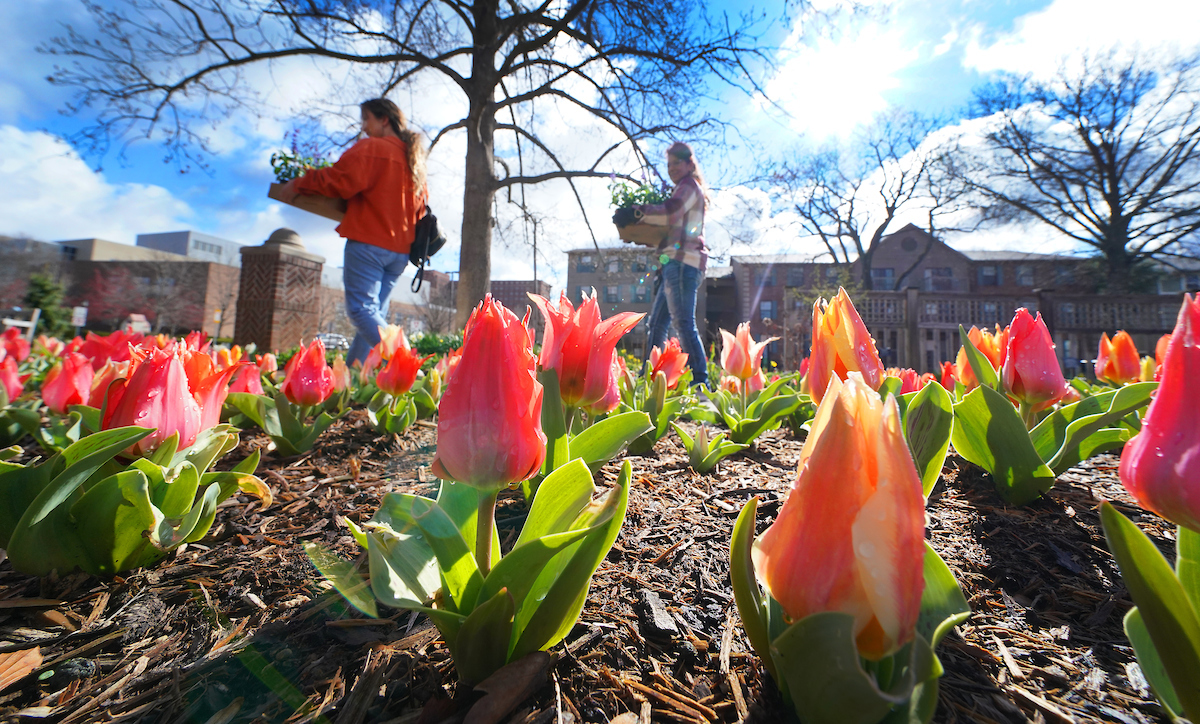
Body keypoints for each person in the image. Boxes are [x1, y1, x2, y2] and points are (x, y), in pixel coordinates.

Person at [278, 98, 427, 366]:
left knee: (361, 311)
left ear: (384, 119)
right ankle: (350, 377)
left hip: (369, 241)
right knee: (372, 315)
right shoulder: (413, 160)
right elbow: (420, 210)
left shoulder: (373, 148)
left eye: (367, 119)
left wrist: (299, 182)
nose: (364, 127)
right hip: (400, 252)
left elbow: (340, 180)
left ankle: (406, 367)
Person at [613, 142, 710, 388]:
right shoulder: (685, 188)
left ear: (689, 163)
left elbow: (670, 213)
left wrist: (636, 213)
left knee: (683, 322)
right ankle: (650, 379)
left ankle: (701, 382)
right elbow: (671, 228)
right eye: (668, 165)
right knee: (656, 323)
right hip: (673, 264)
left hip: (683, 264)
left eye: (677, 163)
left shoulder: (688, 187)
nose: (672, 168)